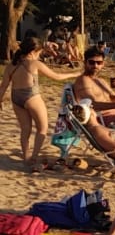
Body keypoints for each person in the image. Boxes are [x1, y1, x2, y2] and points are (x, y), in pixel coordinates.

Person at [0, 36, 80, 172]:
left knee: (25, 130)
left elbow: (3, 87)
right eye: (39, 52)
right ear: (32, 52)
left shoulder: (11, 65)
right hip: (31, 96)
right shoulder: (33, 64)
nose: (39, 55)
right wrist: (75, 74)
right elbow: (57, 76)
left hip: (16, 98)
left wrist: (0, 100)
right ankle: (34, 157)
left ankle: (26, 158)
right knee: (42, 128)